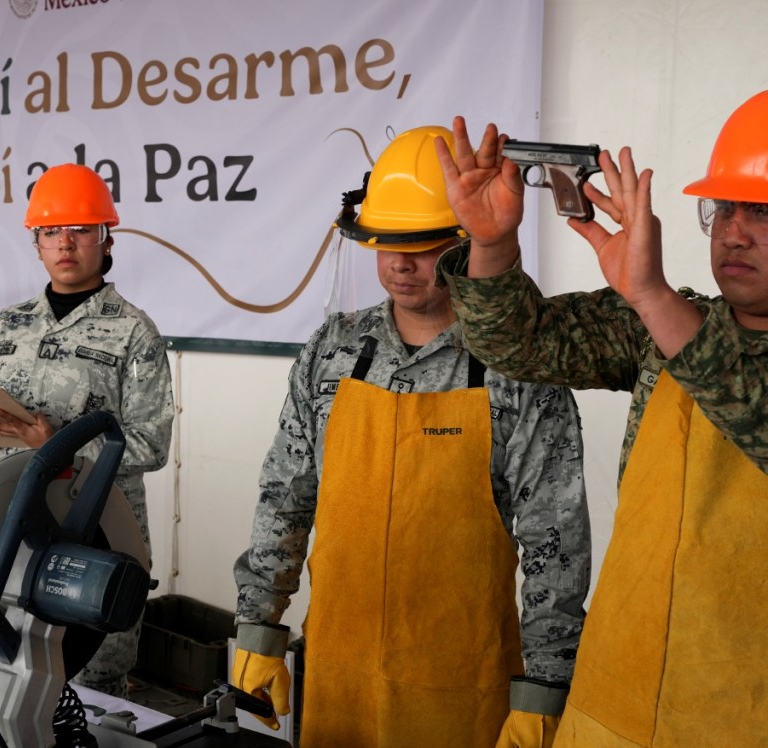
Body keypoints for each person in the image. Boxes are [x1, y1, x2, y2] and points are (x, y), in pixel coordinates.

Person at [433, 88, 768, 746]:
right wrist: (491, 244)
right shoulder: (659, 325)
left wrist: (651, 295)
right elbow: (514, 342)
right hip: (612, 715)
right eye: (722, 208)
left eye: (764, 212)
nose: (732, 231)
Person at [232, 125, 590, 748]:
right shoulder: (334, 349)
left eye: (421, 246)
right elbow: (286, 494)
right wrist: (256, 631)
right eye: (384, 243)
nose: (399, 265)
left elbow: (554, 539)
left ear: (468, 235)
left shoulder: (520, 365)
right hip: (337, 675)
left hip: (463, 689)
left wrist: (547, 691)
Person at [0, 163, 175, 698]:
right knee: (8, 676)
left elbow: (151, 444)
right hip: (11, 528)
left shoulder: (134, 332)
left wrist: (59, 446)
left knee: (90, 683)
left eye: (80, 230)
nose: (65, 242)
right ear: (37, 244)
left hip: (98, 534)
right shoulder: (9, 324)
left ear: (105, 239)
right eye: (51, 231)